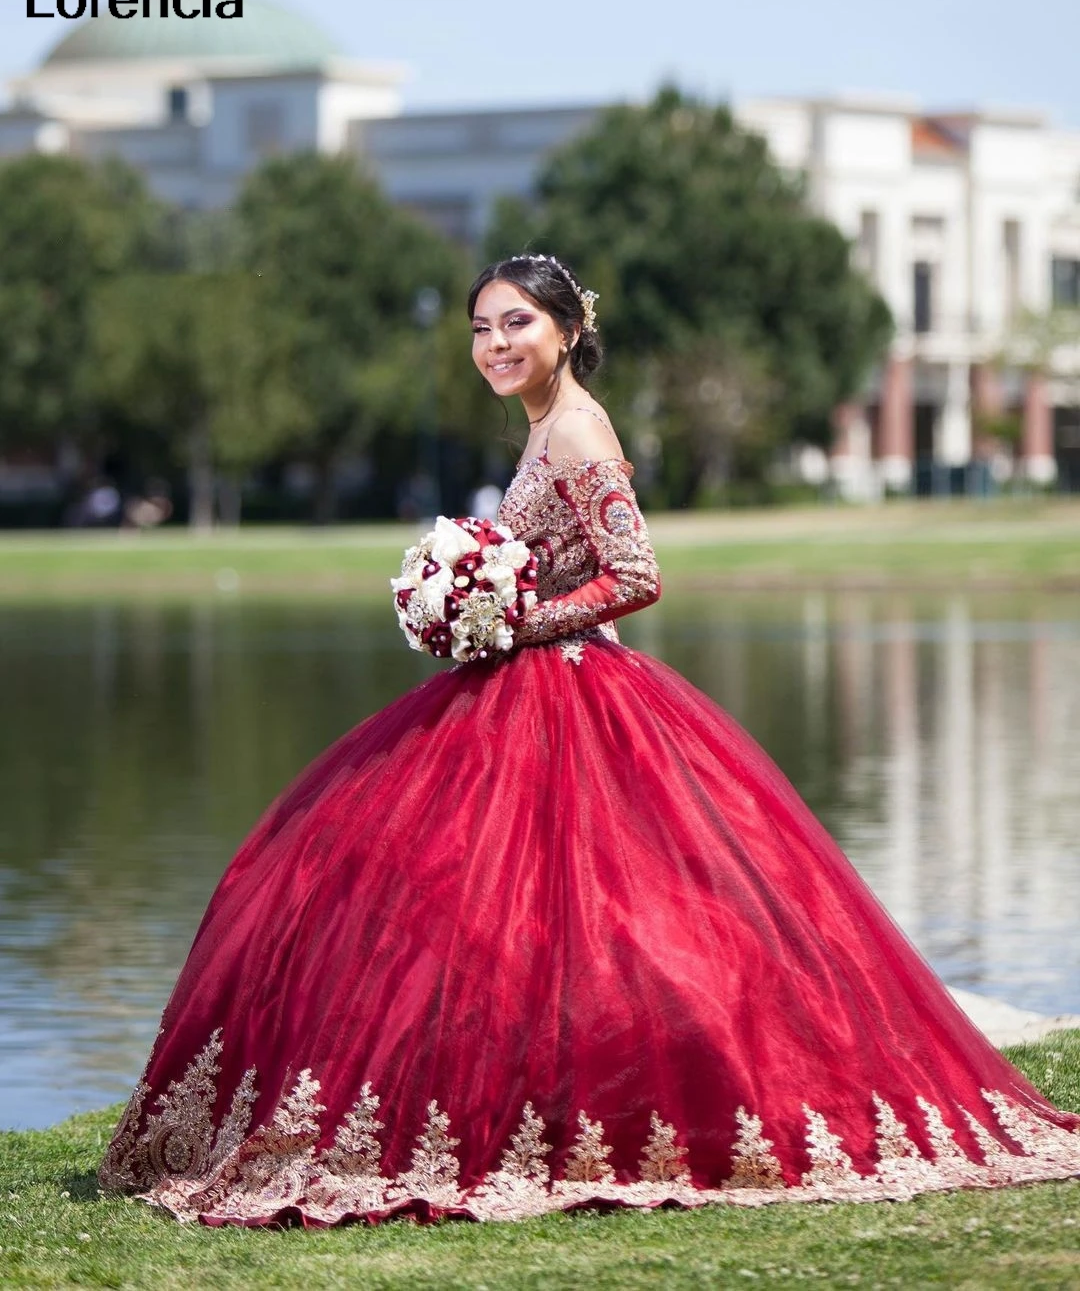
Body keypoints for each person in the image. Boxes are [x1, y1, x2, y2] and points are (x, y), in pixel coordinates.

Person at [99, 254, 1080, 1226]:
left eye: (516, 323)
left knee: (595, 917)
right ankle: (509, 1107)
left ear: (569, 330)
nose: (494, 344)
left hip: (575, 692)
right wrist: (468, 613)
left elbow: (637, 573)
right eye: (481, 328)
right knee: (439, 902)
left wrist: (505, 625)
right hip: (520, 686)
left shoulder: (575, 429)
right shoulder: (544, 431)